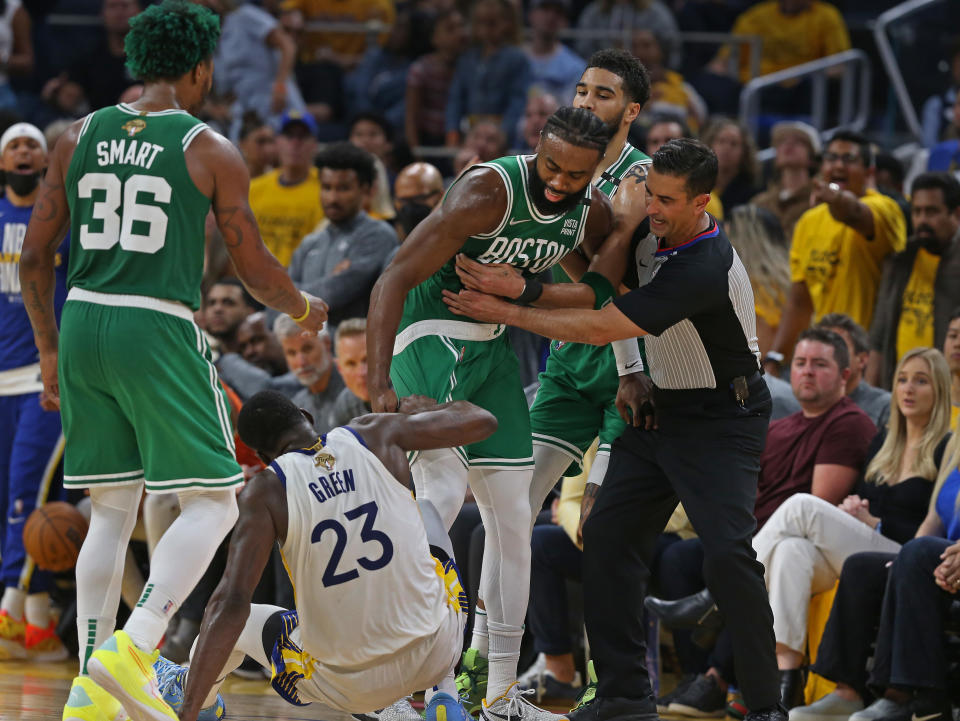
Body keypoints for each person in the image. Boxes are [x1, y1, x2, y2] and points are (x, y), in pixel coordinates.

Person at [17, 4, 327, 720]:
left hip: (83, 317)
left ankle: (89, 688)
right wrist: (304, 307)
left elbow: (35, 256)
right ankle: (137, 646)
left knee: (109, 511)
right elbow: (251, 267)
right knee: (217, 500)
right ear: (200, 68)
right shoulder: (209, 147)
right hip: (154, 322)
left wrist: (49, 348)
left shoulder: (75, 135)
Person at [442, 138, 786, 721]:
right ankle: (626, 695)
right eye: (650, 193)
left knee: (728, 555)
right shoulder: (650, 229)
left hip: (724, 420)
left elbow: (603, 322)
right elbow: (597, 271)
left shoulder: (704, 263)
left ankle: (764, 705)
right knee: (604, 536)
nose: (654, 207)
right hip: (661, 407)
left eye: (669, 201)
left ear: (702, 202)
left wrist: (512, 305)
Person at [368, 105, 615, 721]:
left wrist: (528, 292)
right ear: (537, 147)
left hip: (494, 346)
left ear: (598, 169)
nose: (559, 183)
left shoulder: (593, 214)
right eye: (552, 167)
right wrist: (377, 386)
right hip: (428, 334)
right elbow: (393, 275)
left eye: (576, 175)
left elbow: (601, 291)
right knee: (444, 492)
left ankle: (500, 692)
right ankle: (401, 683)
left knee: (513, 518)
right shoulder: (487, 191)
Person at [449, 49, 654, 713]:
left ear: (631, 110)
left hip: (637, 361)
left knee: (602, 525)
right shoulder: (561, 173)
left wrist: (628, 367)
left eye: (604, 93)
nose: (589, 100)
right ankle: (484, 663)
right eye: (582, 89)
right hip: (572, 359)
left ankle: (614, 674)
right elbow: (572, 266)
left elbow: (618, 286)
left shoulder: (641, 177)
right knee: (504, 514)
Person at [165, 391, 495, 721]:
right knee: (426, 511)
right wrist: (429, 408)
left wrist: (187, 714)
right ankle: (445, 695)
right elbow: (482, 421)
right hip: (436, 653)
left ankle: (200, 705)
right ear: (306, 416)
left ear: (264, 456)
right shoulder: (373, 433)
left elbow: (228, 606)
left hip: (348, 686)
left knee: (239, 615)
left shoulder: (266, 490)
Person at [644, 328, 876, 716]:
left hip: (809, 539)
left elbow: (819, 504)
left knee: (748, 564)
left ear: (845, 376)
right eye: (800, 363)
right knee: (682, 556)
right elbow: (745, 493)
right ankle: (698, 677)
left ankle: (717, 669)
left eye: (820, 364)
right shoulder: (780, 427)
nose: (806, 372)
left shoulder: (850, 422)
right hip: (761, 534)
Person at [753, 347, 953, 707]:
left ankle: (729, 587)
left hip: (906, 553)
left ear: (939, 389)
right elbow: (866, 499)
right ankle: (786, 681)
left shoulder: (945, 447)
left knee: (801, 507)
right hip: (867, 547)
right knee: (790, 551)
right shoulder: (883, 441)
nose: (908, 389)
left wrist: (877, 521)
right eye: (902, 380)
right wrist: (855, 508)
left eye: (921, 381)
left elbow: (934, 523)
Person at [0, 123, 69, 662]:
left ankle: (8, 604)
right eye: (14, 144)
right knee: (19, 500)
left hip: (45, 378)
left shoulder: (63, 221)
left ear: (47, 163)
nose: (24, 151)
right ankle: (40, 623)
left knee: (29, 492)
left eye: (32, 145)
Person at [765, 130, 907, 376]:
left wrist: (835, 198)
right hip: (819, 360)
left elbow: (854, 214)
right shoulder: (808, 222)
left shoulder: (885, 209)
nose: (838, 165)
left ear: (869, 172)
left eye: (848, 159)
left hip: (867, 360)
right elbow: (800, 304)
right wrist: (775, 358)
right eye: (831, 158)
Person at [289, 142, 397, 330]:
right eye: (327, 187)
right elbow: (276, 302)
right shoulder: (310, 242)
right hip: (304, 349)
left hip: (355, 352)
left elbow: (333, 294)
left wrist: (292, 297)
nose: (332, 198)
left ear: (366, 189)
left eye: (343, 188)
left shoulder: (379, 235)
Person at [868, 173, 960, 390]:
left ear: (956, 214)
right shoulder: (900, 260)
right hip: (899, 388)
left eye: (932, 211)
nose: (922, 221)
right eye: (917, 212)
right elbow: (879, 337)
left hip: (947, 393)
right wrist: (872, 390)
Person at [208, 0, 303, 138]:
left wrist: (281, 86)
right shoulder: (213, 34)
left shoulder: (245, 16)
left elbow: (288, 45)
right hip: (247, 111)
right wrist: (219, 107)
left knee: (293, 145)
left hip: (275, 100)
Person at [445, 0, 531, 149]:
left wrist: (503, 133)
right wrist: (452, 130)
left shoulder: (516, 58)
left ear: (506, 23)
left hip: (500, 135)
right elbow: (456, 98)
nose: (485, 29)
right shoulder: (467, 58)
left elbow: (518, 100)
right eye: (480, 23)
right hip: (470, 132)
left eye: (491, 23)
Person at [248, 110, 324, 267]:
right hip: (254, 279)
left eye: (302, 136)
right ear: (277, 142)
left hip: (302, 280)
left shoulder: (326, 190)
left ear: (314, 144)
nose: (295, 143)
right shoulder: (254, 188)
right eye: (289, 136)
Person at [710, 0, 850, 85]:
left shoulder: (827, 16)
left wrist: (807, 78)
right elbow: (725, 60)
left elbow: (838, 67)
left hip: (799, 87)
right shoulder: (756, 15)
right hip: (756, 86)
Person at [61, 0, 140, 114]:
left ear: (140, 12)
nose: (119, 12)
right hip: (100, 125)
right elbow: (69, 98)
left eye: (125, 6)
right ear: (102, 13)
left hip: (146, 124)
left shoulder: (156, 54)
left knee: (135, 94)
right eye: (112, 6)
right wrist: (56, 94)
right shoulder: (89, 56)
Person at [404, 8, 465, 149]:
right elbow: (411, 117)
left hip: (462, 137)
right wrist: (416, 151)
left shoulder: (472, 65)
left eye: (462, 26)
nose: (459, 33)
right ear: (434, 38)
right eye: (450, 29)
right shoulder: (421, 69)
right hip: (429, 138)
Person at [818, 314, 891, 429]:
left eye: (838, 348)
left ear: (862, 360)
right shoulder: (805, 403)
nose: (826, 356)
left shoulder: (884, 407)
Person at [749, 121, 821, 240]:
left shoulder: (819, 200)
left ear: (812, 157)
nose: (788, 145)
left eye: (798, 142)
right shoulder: (760, 203)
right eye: (781, 142)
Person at [575, 0, 679, 69]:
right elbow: (582, 51)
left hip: (649, 76)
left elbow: (672, 50)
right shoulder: (593, 13)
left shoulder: (656, 12)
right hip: (603, 73)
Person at [524, 0, 585, 103]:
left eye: (558, 12)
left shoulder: (576, 68)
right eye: (545, 8)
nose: (551, 16)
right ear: (531, 14)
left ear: (565, 21)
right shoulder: (513, 60)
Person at [701, 117, 759, 212]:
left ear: (744, 152)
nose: (726, 148)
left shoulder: (752, 193)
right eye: (721, 141)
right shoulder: (697, 184)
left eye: (734, 144)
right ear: (710, 145)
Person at [330, 318, 371, 428]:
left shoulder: (407, 390)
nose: (362, 372)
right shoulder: (345, 404)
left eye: (367, 360)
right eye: (351, 364)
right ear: (339, 368)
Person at [201, 278, 257, 354]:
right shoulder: (202, 354)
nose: (217, 309)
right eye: (211, 303)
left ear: (250, 312)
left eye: (228, 302)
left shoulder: (263, 356)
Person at [393, 161, 444, 242]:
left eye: (419, 199)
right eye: (404, 200)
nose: (410, 207)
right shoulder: (388, 240)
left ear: (440, 196)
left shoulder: (456, 239)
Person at [236, 112, 277, 180]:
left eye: (271, 141)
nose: (268, 149)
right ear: (242, 145)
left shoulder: (279, 180)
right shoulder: (230, 180)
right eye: (260, 142)